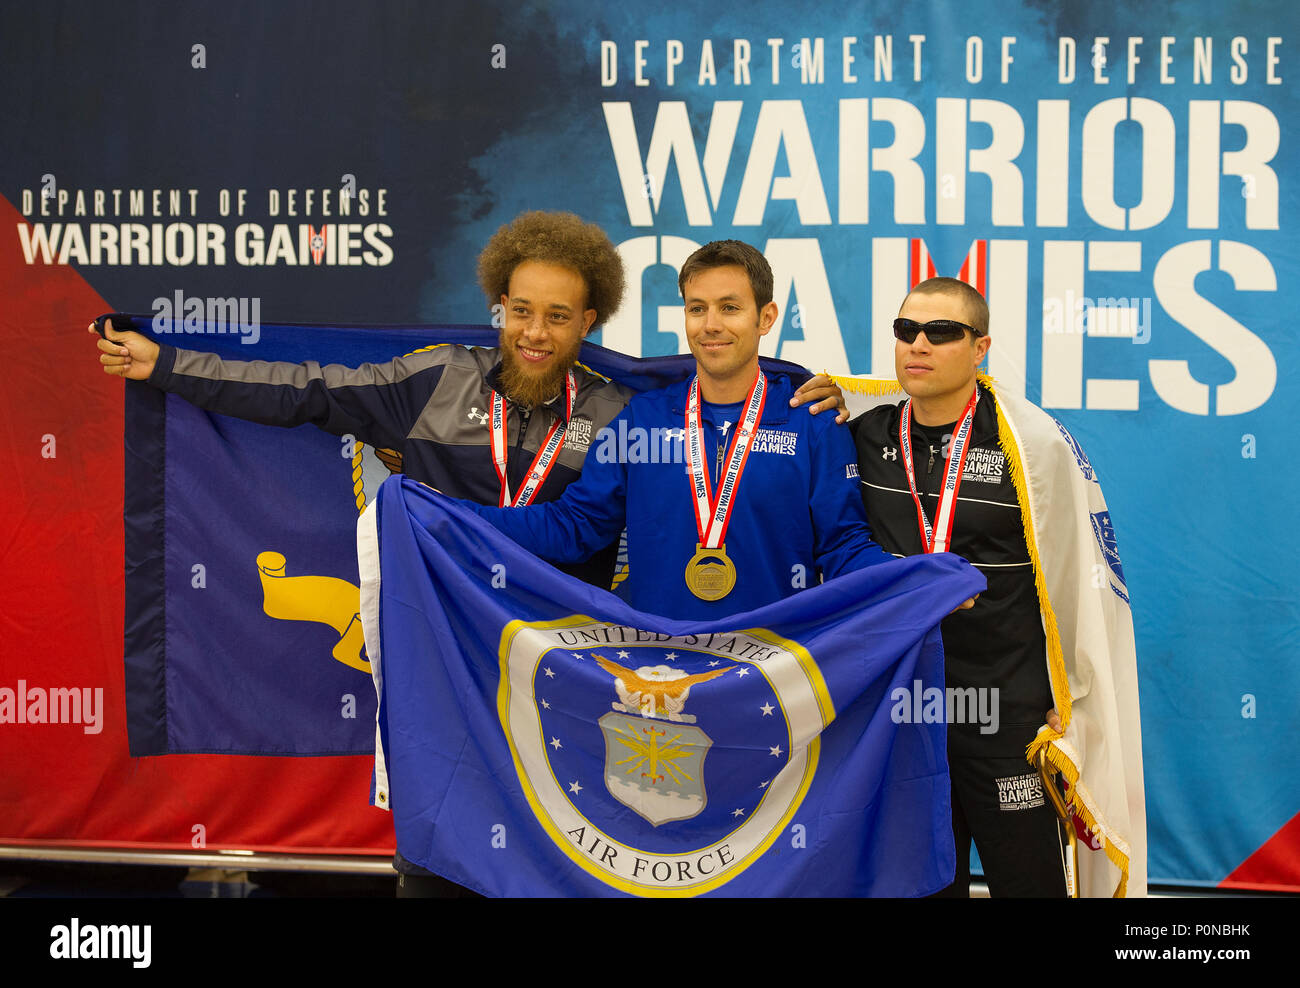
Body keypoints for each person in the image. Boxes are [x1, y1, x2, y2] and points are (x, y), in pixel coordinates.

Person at [89, 211, 849, 894]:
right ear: (499, 307)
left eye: (557, 316)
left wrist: (818, 391)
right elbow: (303, 385)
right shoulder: (436, 379)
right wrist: (166, 367)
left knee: (561, 851)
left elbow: (708, 398)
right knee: (439, 854)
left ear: (588, 322)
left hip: (564, 670)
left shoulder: (618, 411)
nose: (535, 333)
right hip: (447, 652)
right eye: (521, 311)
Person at [846, 277, 1145, 897]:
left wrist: (1077, 693)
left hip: (1006, 714)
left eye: (942, 332)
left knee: (1028, 882)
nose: (918, 345)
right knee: (923, 884)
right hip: (901, 707)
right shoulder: (862, 432)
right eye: (906, 331)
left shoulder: (1032, 447)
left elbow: (1078, 580)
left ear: (980, 347)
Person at [458, 239, 897, 620]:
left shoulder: (813, 420)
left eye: (730, 308)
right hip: (657, 669)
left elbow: (844, 548)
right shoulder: (641, 419)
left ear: (765, 318)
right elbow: (574, 527)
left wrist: (921, 581)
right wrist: (449, 516)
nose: (711, 325)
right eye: (697, 308)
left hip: (771, 668)